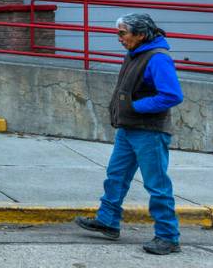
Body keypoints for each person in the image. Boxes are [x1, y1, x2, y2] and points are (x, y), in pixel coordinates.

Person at [76, 13, 184, 255]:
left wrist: (137, 107)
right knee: (116, 175)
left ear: (141, 34)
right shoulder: (136, 54)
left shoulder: (157, 59)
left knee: (157, 185)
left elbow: (172, 95)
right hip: (129, 129)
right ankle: (108, 221)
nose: (119, 38)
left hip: (150, 132)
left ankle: (168, 236)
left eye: (123, 33)